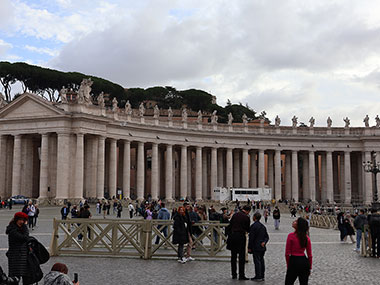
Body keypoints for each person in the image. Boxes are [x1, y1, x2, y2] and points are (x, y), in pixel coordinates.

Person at [285, 217, 313, 285]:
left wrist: (289, 265)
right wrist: (310, 267)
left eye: (296, 221)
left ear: (298, 225)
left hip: (293, 261)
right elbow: (310, 255)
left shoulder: (291, 236)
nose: (293, 222)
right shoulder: (307, 238)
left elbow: (287, 254)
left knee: (289, 282)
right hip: (304, 262)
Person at [227, 205, 251, 280]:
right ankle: (241, 275)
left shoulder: (235, 215)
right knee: (241, 256)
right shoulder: (246, 217)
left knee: (233, 256)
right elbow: (247, 228)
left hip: (233, 236)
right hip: (240, 236)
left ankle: (234, 274)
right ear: (248, 211)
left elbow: (230, 225)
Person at [6, 212, 30, 282]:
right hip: (15, 257)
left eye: (23, 220)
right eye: (20, 220)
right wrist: (25, 227)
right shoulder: (13, 230)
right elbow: (24, 238)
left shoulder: (20, 228)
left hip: (22, 257)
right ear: (16, 220)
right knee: (15, 277)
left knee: (26, 277)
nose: (22, 222)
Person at [248, 212, 269, 282]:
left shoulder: (253, 226)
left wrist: (249, 247)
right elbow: (267, 237)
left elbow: (251, 238)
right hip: (262, 247)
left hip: (256, 246)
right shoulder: (263, 226)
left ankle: (258, 276)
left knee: (257, 261)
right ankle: (262, 275)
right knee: (261, 261)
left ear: (254, 217)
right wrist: (264, 242)